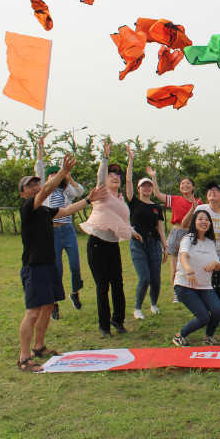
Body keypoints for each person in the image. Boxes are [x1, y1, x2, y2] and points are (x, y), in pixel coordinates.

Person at [17, 154, 104, 372]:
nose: (36, 188)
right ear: (22, 193)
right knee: (33, 312)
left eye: (37, 183)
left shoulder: (45, 211)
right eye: (30, 186)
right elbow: (47, 191)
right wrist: (64, 172)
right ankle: (24, 357)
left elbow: (65, 211)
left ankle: (39, 346)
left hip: (49, 264)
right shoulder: (29, 207)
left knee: (48, 306)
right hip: (34, 266)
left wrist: (87, 200)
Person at [80, 139, 141, 338]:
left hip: (112, 245)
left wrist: (132, 231)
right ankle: (104, 326)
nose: (115, 177)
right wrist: (104, 159)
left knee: (118, 283)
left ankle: (118, 320)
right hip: (97, 243)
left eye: (117, 175)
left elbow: (121, 221)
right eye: (111, 175)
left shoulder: (121, 199)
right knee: (102, 285)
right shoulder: (102, 194)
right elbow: (99, 178)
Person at [35, 137, 85, 319]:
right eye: (51, 175)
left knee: (75, 266)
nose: (54, 177)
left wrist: (69, 177)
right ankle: (54, 303)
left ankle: (74, 292)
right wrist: (40, 149)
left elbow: (80, 191)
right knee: (56, 269)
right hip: (52, 232)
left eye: (58, 174)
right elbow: (39, 170)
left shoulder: (66, 192)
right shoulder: (44, 192)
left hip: (68, 231)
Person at [181, 182, 220, 320]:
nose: (212, 192)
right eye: (210, 190)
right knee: (202, 284)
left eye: (216, 190)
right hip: (201, 255)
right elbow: (184, 224)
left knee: (218, 285)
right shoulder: (201, 208)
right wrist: (192, 209)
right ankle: (202, 312)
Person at [124, 146, 168, 321]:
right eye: (144, 186)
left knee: (155, 279)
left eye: (149, 186)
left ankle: (154, 304)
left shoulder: (156, 207)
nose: (147, 188)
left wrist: (165, 247)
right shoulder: (133, 202)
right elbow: (127, 182)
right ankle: (137, 307)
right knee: (145, 278)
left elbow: (160, 228)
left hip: (154, 244)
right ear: (139, 188)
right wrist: (131, 160)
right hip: (137, 244)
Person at [146, 166, 198, 303]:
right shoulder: (174, 199)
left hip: (191, 235)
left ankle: (192, 291)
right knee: (175, 268)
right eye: (182, 183)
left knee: (191, 266)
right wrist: (153, 176)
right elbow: (157, 194)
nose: (185, 185)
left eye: (188, 183)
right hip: (176, 233)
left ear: (193, 187)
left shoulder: (198, 203)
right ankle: (177, 293)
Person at [172, 210, 220, 347]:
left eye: (207, 219)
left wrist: (215, 264)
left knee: (218, 311)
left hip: (204, 286)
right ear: (194, 222)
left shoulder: (210, 242)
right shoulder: (187, 239)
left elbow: (218, 265)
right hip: (185, 285)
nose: (204, 222)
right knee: (204, 317)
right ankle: (180, 336)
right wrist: (189, 271)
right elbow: (183, 256)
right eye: (200, 219)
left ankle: (208, 337)